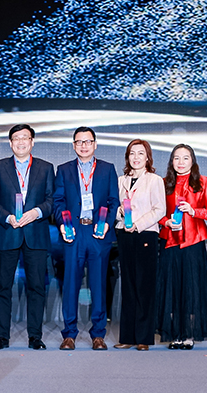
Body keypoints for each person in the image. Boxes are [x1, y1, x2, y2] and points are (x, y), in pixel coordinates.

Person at [0, 124, 55, 350]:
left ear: (32, 142)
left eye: (25, 137)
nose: (21, 142)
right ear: (10, 143)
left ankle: (35, 336)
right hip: (8, 232)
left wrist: (36, 213)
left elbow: (51, 200)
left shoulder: (46, 168)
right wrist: (7, 217)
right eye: (16, 138)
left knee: (36, 287)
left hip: (36, 233)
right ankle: (1, 337)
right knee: (2, 288)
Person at [53, 126, 119, 351]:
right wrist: (62, 225)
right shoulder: (64, 170)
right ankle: (69, 334)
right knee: (71, 283)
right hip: (74, 232)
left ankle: (98, 334)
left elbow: (113, 200)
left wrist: (107, 223)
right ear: (74, 145)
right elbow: (58, 201)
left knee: (98, 284)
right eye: (79, 142)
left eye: (88, 141)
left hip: (98, 232)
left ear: (95, 144)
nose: (84, 145)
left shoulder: (108, 169)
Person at [156, 144, 207, 350]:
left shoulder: (203, 182)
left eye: (185, 158)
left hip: (193, 241)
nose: (181, 162)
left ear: (192, 161)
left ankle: (189, 333)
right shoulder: (163, 183)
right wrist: (166, 221)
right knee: (172, 288)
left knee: (192, 288)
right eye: (176, 158)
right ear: (171, 161)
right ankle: (175, 333)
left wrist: (194, 211)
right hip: (170, 241)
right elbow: (158, 212)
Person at [113, 139, 166, 351]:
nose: (136, 157)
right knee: (127, 285)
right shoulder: (121, 180)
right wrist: (119, 212)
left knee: (145, 286)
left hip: (145, 234)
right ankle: (127, 336)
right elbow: (115, 206)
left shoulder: (154, 180)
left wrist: (138, 224)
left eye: (140, 153)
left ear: (147, 157)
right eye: (132, 153)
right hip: (124, 234)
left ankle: (144, 337)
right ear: (127, 157)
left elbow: (159, 209)